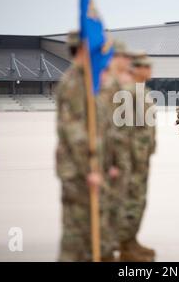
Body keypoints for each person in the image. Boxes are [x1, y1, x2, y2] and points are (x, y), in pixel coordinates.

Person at [55, 31, 114, 262]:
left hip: (90, 166)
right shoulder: (73, 83)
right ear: (82, 49)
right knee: (75, 235)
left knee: (93, 230)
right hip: (78, 169)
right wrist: (89, 168)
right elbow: (73, 132)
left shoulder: (88, 81)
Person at [118, 54, 156, 262]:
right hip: (130, 158)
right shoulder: (129, 92)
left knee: (138, 200)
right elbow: (122, 129)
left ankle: (131, 241)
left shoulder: (142, 91)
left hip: (141, 156)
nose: (150, 70)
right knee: (131, 200)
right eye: (146, 66)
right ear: (137, 68)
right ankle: (125, 245)